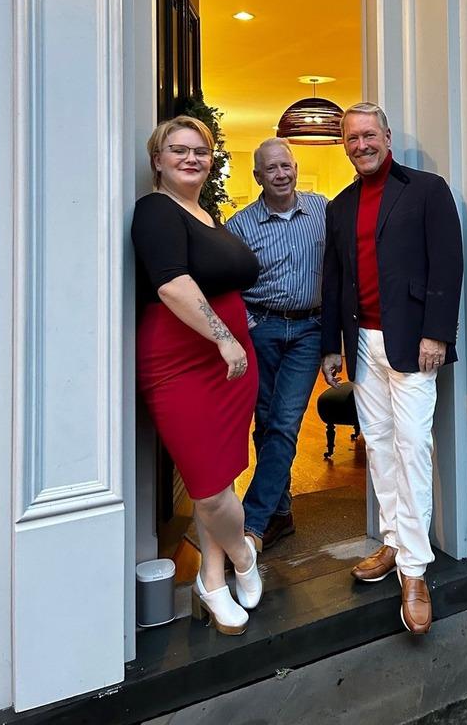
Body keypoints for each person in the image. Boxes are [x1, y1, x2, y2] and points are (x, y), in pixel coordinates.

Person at [320, 103, 463, 635]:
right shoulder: (340, 206)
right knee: (377, 445)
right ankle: (391, 540)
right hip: (362, 343)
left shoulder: (427, 189)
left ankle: (415, 571)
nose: (361, 144)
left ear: (386, 136)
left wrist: (438, 332)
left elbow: (448, 263)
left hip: (412, 342)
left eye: (368, 134)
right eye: (351, 138)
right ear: (344, 145)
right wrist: (332, 346)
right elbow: (334, 282)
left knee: (412, 449)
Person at [132, 116, 263, 636]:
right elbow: (172, 286)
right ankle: (245, 555)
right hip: (183, 362)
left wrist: (233, 341)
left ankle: (211, 578)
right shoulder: (155, 211)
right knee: (208, 489)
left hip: (230, 365)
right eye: (178, 149)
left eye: (201, 151)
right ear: (157, 161)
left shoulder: (207, 215)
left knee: (222, 473)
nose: (192, 158)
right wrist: (223, 336)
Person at [226, 138, 327, 551]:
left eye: (286, 165)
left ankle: (252, 522)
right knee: (265, 424)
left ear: (296, 168)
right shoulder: (239, 226)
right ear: (258, 177)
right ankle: (280, 514)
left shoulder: (322, 210)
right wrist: (249, 324)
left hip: (309, 330)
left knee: (285, 421)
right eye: (272, 169)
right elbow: (228, 286)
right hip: (262, 330)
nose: (281, 174)